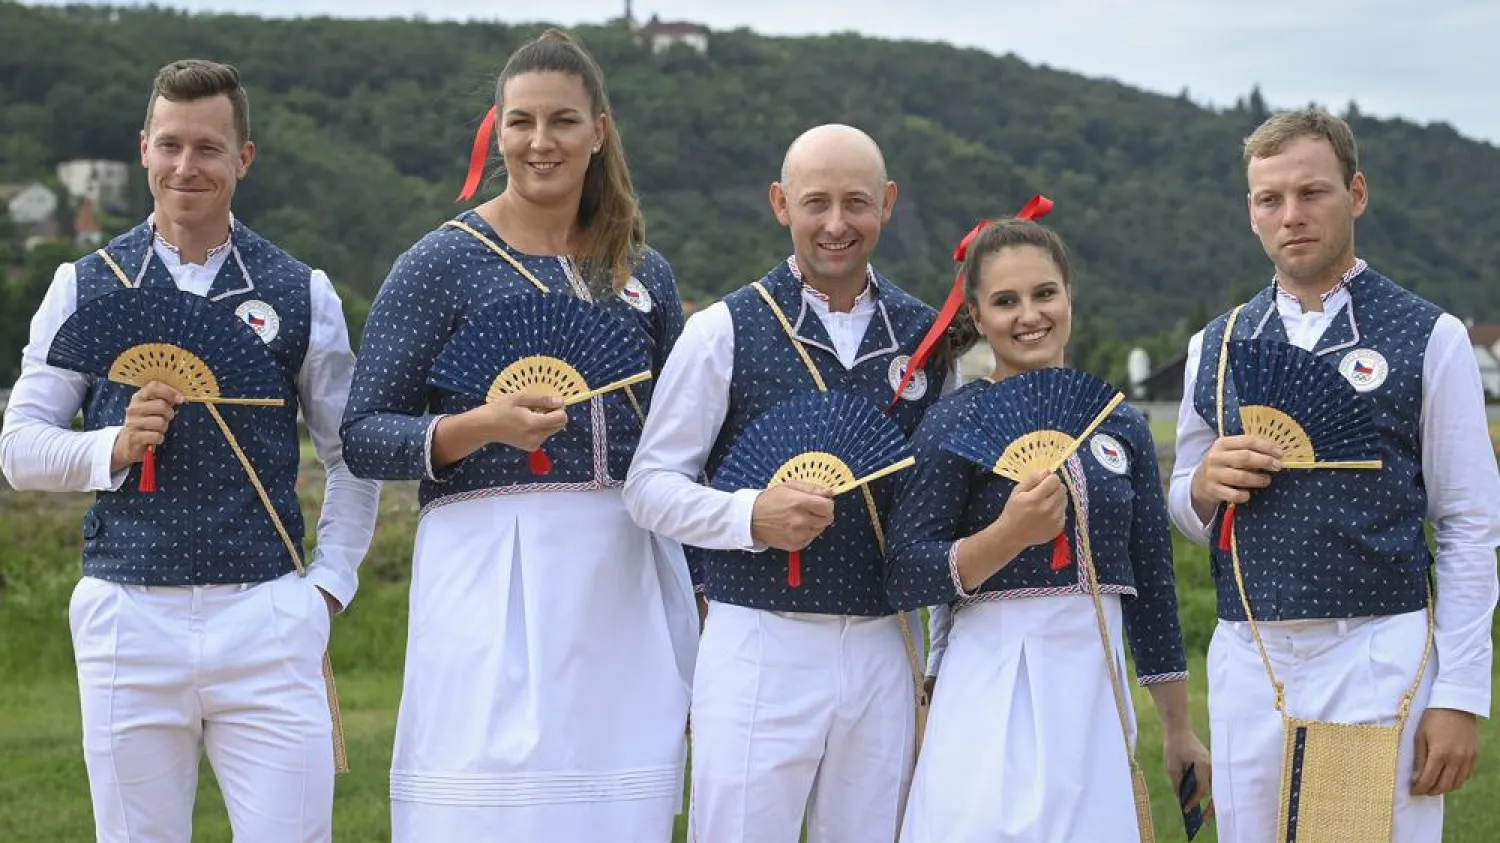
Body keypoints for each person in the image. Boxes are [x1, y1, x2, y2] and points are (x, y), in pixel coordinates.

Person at [0, 59, 380, 842]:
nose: (185, 166)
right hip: (125, 614)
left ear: (244, 157)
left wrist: (329, 586)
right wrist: (109, 445)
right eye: (169, 144)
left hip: (268, 613)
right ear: (143, 148)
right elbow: (18, 448)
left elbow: (352, 454)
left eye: (208, 147)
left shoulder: (300, 290)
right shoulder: (83, 284)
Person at [338, 28, 698, 843]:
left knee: (617, 800)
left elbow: (680, 446)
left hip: (623, 567)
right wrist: (477, 427)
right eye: (522, 122)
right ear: (496, 130)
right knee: (491, 798)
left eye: (564, 121)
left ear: (599, 130)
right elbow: (363, 434)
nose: (542, 142)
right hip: (487, 561)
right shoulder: (440, 263)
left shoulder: (645, 273)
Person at [1168, 108, 1500, 842]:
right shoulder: (1215, 345)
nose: (1291, 215)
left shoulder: (1430, 337)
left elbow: (1470, 523)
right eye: (1269, 199)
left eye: (1311, 192)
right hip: (1250, 653)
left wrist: (1461, 693)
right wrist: (1198, 486)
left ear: (1356, 193)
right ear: (1250, 212)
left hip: (1376, 648)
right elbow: (1187, 508)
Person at [623, 123, 946, 842]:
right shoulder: (723, 330)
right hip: (758, 639)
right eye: (816, 202)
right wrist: (748, 516)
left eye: (856, 202)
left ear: (888, 203)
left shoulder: (930, 338)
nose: (836, 224)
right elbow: (648, 486)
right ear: (780, 203)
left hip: (886, 642)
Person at [884, 217, 1211, 842]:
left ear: (1069, 296)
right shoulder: (955, 423)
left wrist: (1178, 728)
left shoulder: (1121, 425)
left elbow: (1155, 585)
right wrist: (1006, 536)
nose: (1029, 315)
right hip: (989, 673)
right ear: (977, 316)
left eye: (1044, 293)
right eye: (1005, 301)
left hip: (1094, 678)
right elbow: (903, 573)